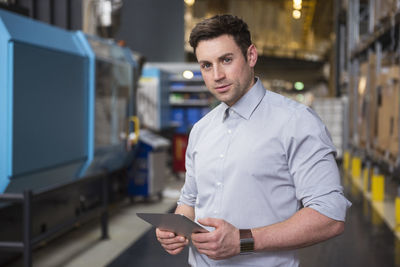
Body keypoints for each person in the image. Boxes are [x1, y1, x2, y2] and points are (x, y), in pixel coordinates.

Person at [156, 14, 351, 266]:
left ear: (251, 56)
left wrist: (242, 240)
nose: (217, 75)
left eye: (226, 60)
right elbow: (189, 201)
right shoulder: (201, 129)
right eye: (206, 65)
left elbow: (330, 216)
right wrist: (175, 228)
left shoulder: (296, 122)